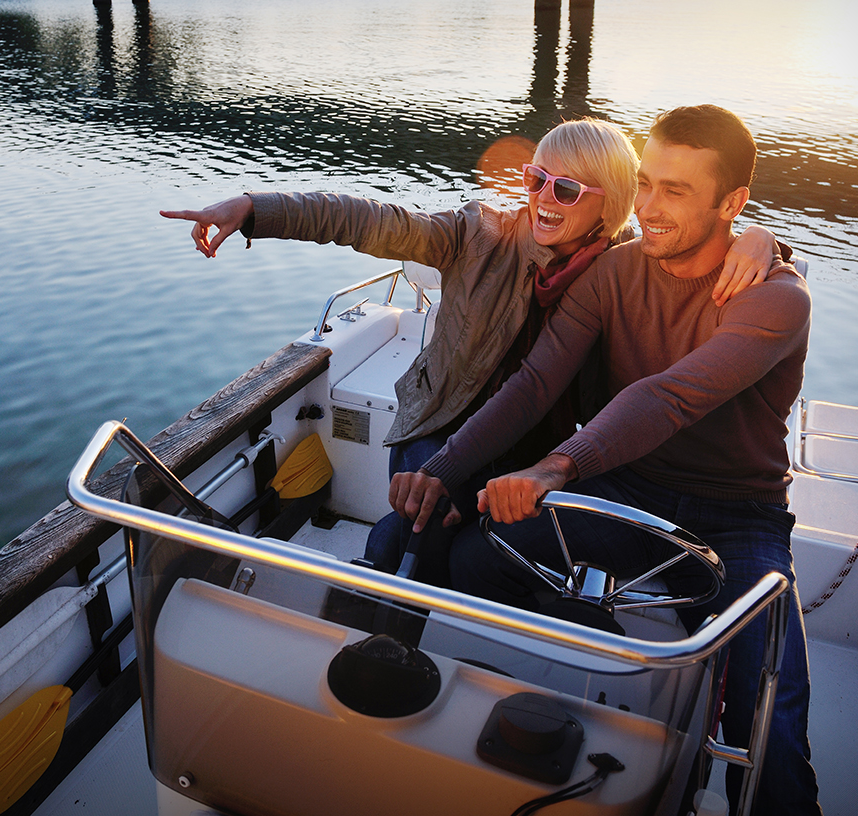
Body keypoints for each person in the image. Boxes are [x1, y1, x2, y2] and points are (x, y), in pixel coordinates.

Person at [402, 105, 818, 815]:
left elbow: (671, 398)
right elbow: (536, 384)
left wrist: (555, 468)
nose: (649, 209)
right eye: (646, 183)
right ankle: (533, 710)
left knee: (768, 709)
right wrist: (443, 468)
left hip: (740, 515)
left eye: (676, 192)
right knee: (473, 555)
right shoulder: (614, 272)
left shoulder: (776, 297)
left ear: (734, 205)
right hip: (632, 487)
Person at [161, 119, 784, 584]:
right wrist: (252, 209)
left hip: (542, 448)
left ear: (612, 201)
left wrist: (764, 240)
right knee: (423, 519)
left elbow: (699, 241)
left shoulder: (625, 265)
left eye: (566, 190)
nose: (541, 198)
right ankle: (381, 614)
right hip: (445, 424)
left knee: (486, 548)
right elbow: (363, 219)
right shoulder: (478, 235)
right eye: (534, 178)